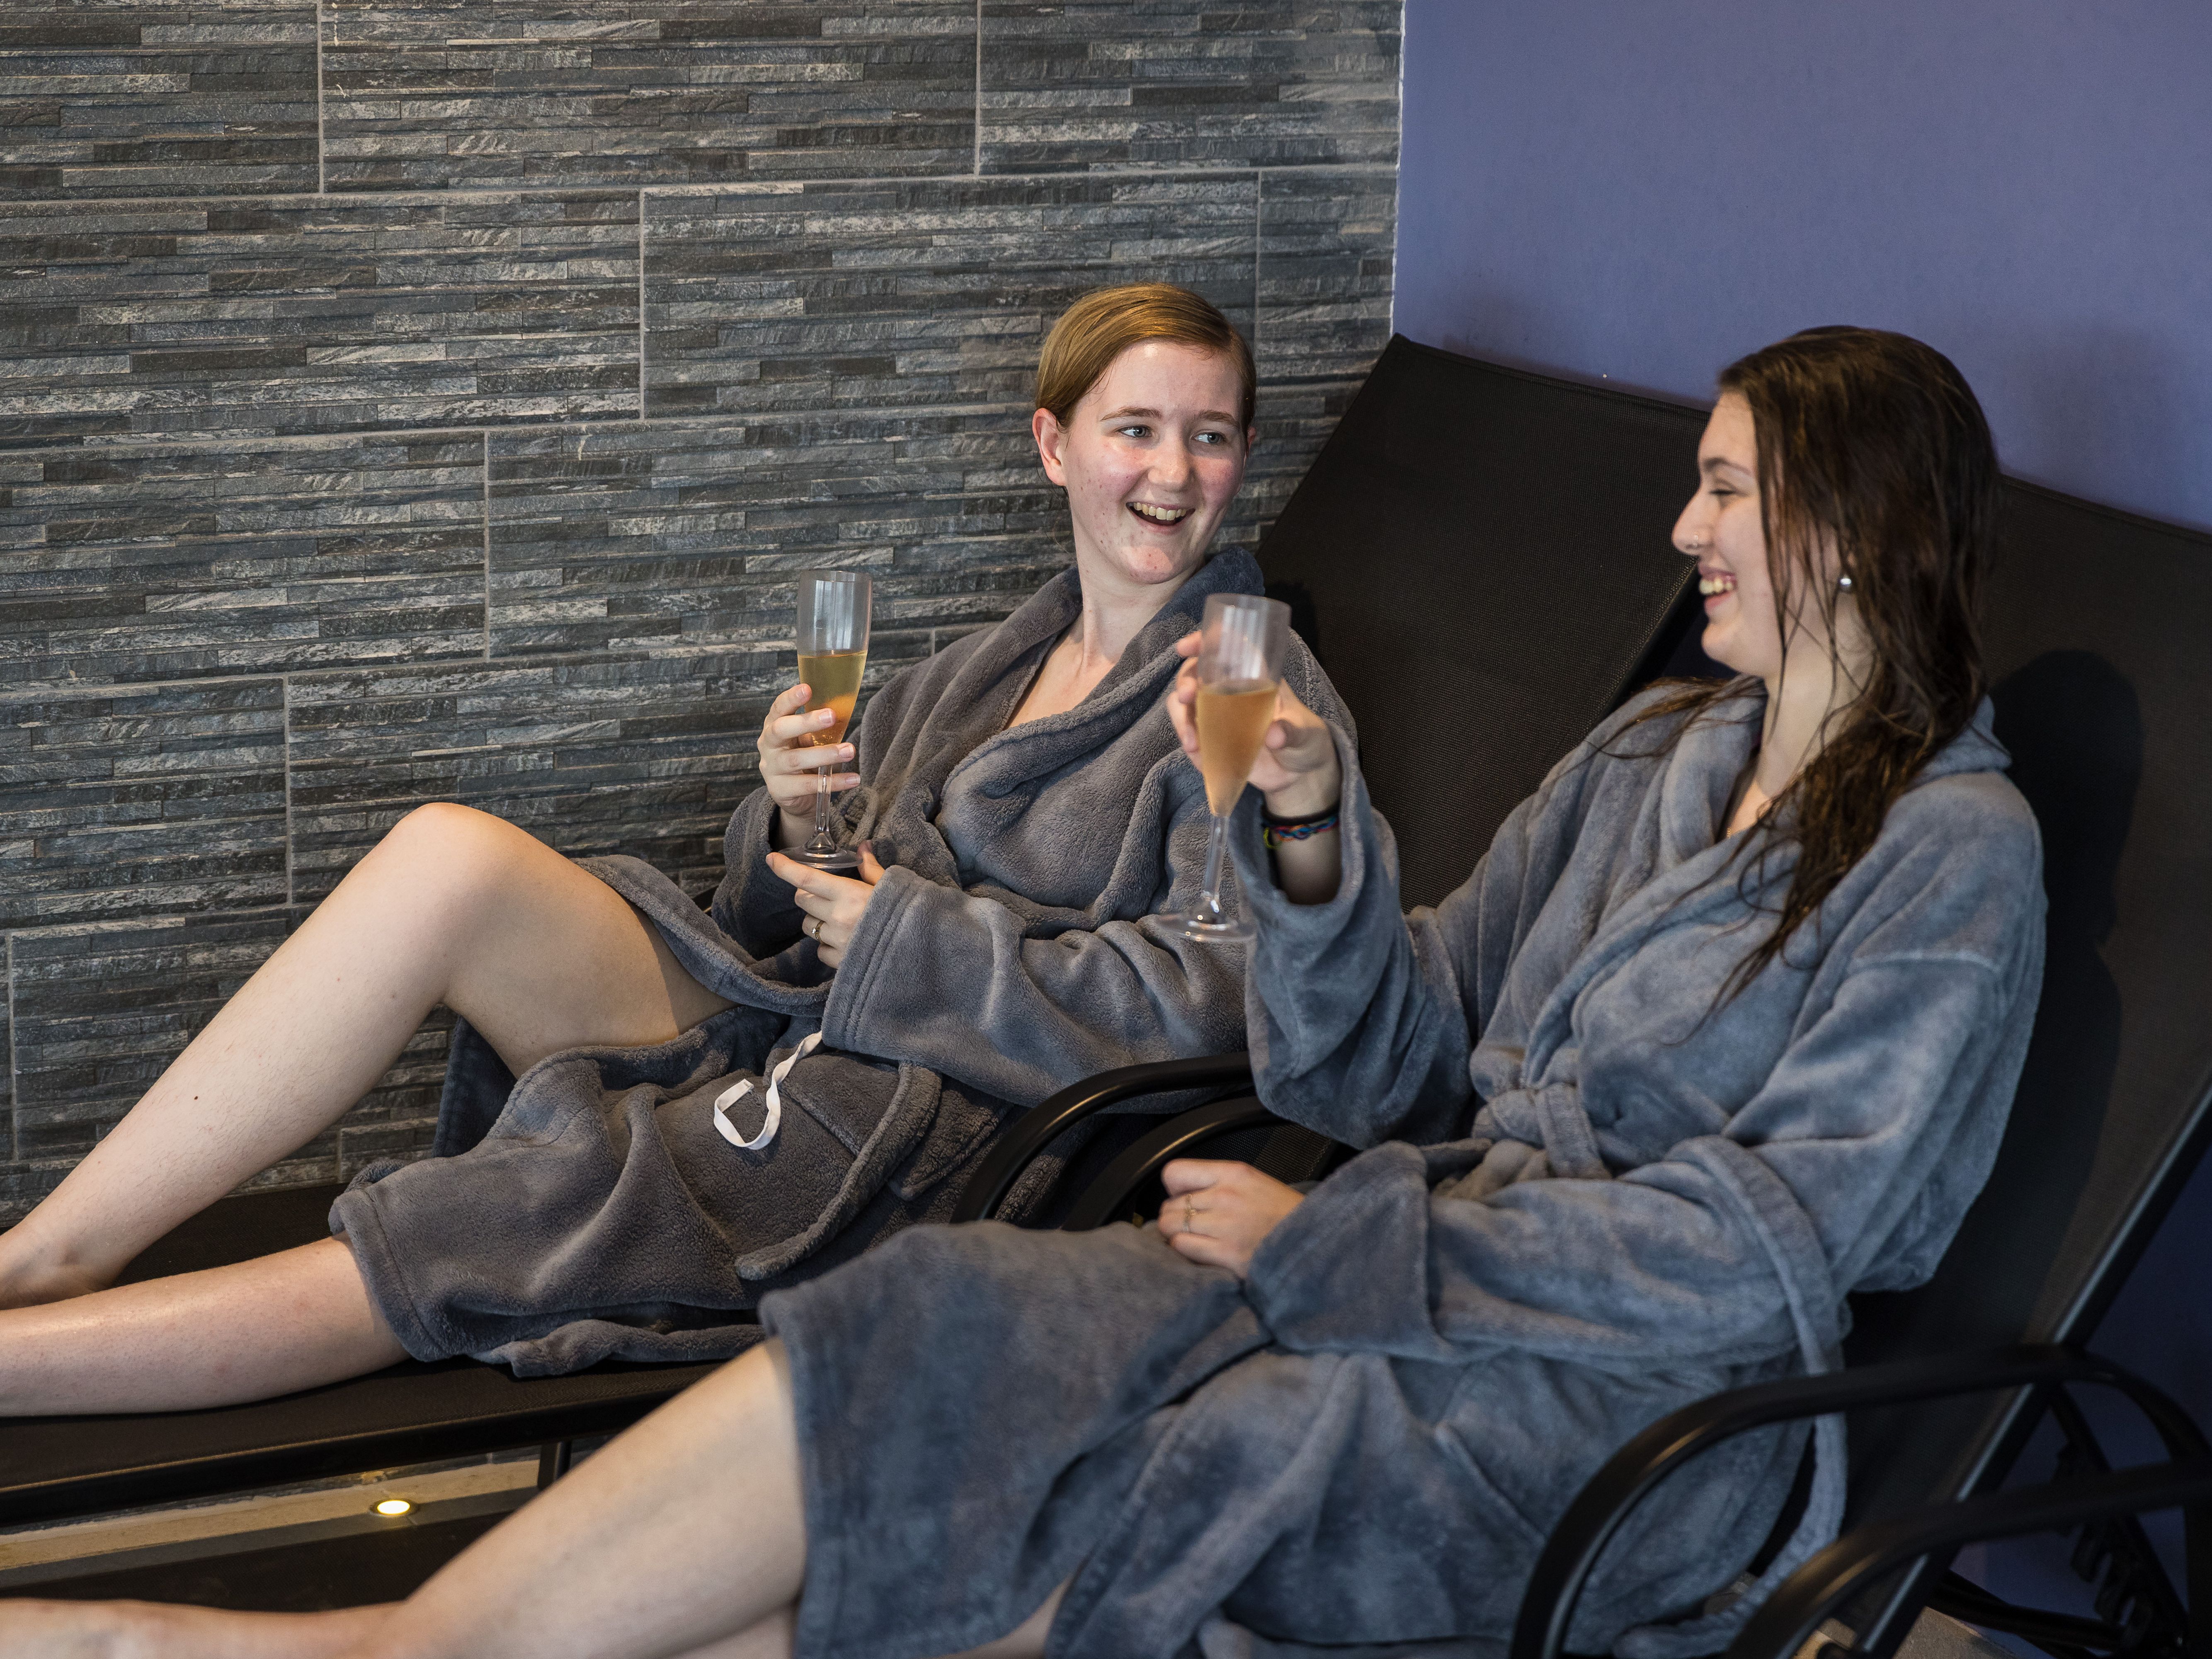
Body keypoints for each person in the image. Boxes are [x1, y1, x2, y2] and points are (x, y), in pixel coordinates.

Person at [0, 325, 2045, 1659]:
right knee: (940, 1322)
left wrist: (1360, 1236)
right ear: (1054, 444)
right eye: (1688, 479)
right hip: (1349, 1246)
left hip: (1609, 1403)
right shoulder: (1645, 759)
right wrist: (1315, 845)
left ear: (1851, 529)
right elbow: (1385, 1040)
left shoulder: (1951, 858)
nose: (1679, 527)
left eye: (1719, 486)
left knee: (1105, 1486)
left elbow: (1790, 1236)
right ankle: (408, 1642)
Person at [0, 283, 1349, 1410]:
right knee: (444, 857)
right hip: (807, 1016)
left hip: (942, 1111)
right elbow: (781, 910)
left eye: (1211, 435)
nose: (1173, 473)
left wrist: (911, 944)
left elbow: (1221, 990)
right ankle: (54, 1246)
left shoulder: (1242, 686)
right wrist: (788, 814)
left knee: (503, 1215)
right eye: (1137, 429)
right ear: (1054, 444)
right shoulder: (977, 671)